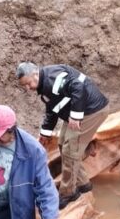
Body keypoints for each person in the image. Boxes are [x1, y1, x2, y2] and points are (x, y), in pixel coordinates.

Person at [15, 62, 109, 209]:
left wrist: (76, 116)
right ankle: (83, 183)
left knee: (70, 150)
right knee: (63, 143)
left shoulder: (52, 78)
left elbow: (78, 86)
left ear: (35, 74)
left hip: (92, 110)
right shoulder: (44, 86)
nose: (28, 88)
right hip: (79, 111)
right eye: (24, 86)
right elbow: (52, 110)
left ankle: (68, 192)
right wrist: (45, 133)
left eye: (28, 83)